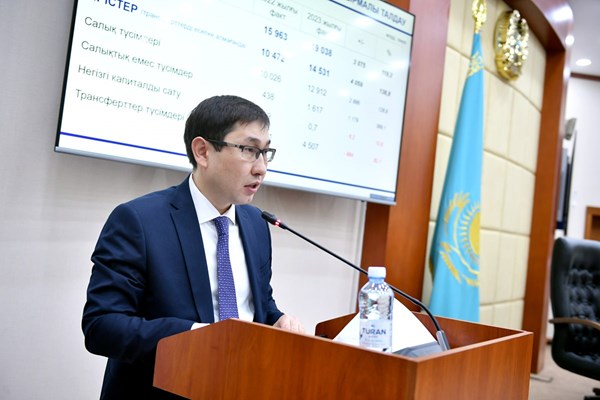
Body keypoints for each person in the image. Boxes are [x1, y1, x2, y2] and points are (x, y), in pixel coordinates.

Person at [82, 95, 303, 399]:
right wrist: (199, 337)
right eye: (249, 150)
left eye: (265, 152)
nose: (261, 168)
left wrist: (277, 320)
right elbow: (102, 326)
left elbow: (258, 305)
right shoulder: (139, 221)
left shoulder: (255, 224)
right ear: (202, 151)